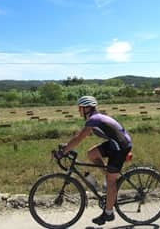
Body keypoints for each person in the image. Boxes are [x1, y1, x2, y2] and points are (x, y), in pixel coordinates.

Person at [62, 96, 132, 225]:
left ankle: (109, 213)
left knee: (111, 182)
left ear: (87, 108)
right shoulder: (95, 117)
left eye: (80, 108)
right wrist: (66, 147)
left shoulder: (94, 119)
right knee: (92, 153)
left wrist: (64, 150)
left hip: (120, 147)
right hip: (115, 143)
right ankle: (109, 177)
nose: (79, 111)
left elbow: (78, 138)